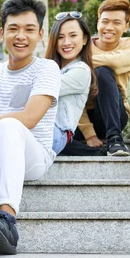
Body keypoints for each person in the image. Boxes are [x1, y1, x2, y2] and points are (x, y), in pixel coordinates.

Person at [0, 0, 61, 255]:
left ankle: (6, 220)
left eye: (29, 29)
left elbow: (29, 118)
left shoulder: (47, 68)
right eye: (13, 29)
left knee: (7, 125)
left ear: (40, 34)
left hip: (33, 156)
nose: (21, 36)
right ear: (1, 33)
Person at [70, 0, 130, 156]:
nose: (109, 27)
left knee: (103, 72)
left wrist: (79, 62)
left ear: (126, 25)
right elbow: (73, 94)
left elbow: (115, 63)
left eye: (116, 22)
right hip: (80, 117)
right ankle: (97, 153)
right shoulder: (83, 47)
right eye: (105, 21)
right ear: (98, 23)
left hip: (114, 114)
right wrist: (89, 133)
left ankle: (115, 139)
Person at [45, 11, 98, 155]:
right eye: (60, 37)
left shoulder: (81, 70)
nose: (66, 42)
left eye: (73, 36)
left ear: (85, 39)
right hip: (38, 129)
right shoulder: (50, 68)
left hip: (56, 135)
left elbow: (41, 89)